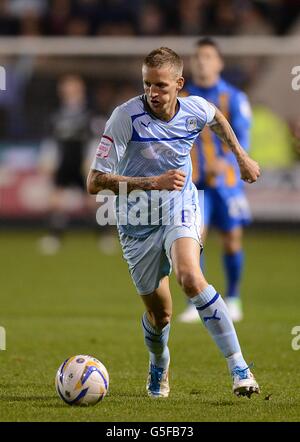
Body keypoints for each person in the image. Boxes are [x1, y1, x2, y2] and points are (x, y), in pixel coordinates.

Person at [87, 47, 260, 398]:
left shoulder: (194, 107)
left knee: (190, 276)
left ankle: (240, 368)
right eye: (147, 84)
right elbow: (94, 181)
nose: (153, 92)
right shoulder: (125, 117)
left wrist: (241, 157)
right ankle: (159, 363)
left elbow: (217, 118)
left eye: (161, 86)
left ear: (179, 84)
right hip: (136, 222)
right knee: (160, 315)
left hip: (179, 207)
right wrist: (151, 183)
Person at [178, 38, 252, 323]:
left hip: (227, 182)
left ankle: (233, 298)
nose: (202, 61)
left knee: (232, 240)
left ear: (219, 62)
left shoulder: (234, 97)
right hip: (194, 185)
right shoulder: (183, 98)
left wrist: (226, 161)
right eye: (197, 57)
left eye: (208, 56)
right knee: (193, 242)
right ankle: (197, 304)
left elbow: (243, 137)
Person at [38, 74, 92, 254]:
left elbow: (95, 139)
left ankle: (105, 235)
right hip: (63, 161)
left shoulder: (89, 113)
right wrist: (47, 160)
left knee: (91, 201)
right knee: (56, 200)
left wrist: (93, 161)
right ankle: (55, 236)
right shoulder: (56, 114)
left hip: (82, 161)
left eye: (73, 87)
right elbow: (51, 140)